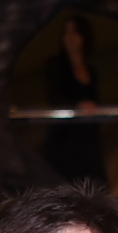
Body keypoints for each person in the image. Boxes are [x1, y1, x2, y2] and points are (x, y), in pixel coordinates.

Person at [40, 13, 106, 187]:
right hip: (64, 138)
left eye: (74, 32)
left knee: (94, 184)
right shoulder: (55, 65)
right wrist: (77, 107)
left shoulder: (91, 70)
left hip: (88, 139)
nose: (69, 37)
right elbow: (54, 97)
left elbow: (97, 101)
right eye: (66, 32)